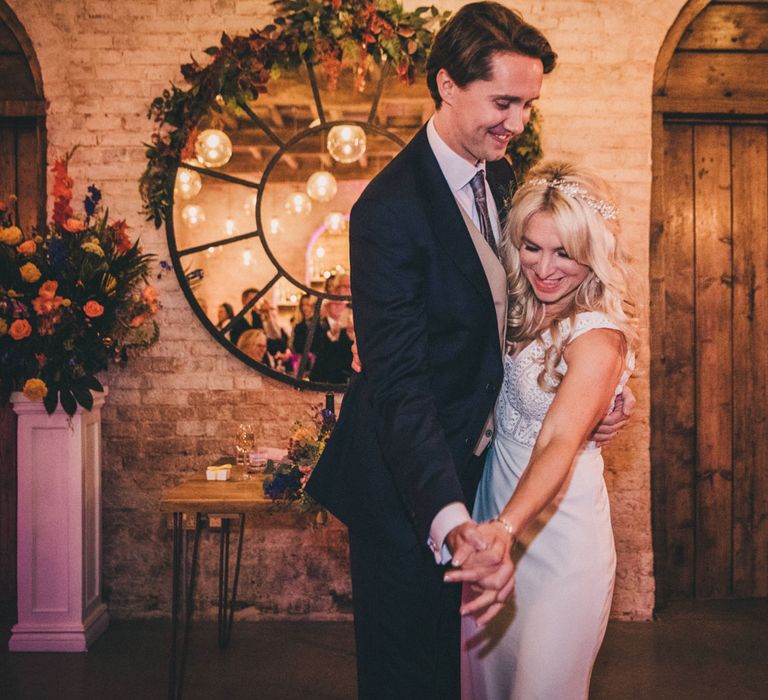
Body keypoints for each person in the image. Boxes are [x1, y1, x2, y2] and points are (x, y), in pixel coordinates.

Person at [306, 4, 633, 698]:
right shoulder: (389, 210)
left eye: (527, 104)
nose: (516, 122)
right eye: (503, 102)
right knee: (412, 676)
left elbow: (543, 309)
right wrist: (452, 523)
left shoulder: (505, 180)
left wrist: (598, 389)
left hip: (488, 474)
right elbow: (398, 382)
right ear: (448, 84)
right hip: (408, 488)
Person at [452, 161, 637, 699]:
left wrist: (504, 531)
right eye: (533, 247)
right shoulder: (514, 309)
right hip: (493, 509)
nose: (545, 268)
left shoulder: (598, 338)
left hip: (556, 539)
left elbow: (559, 438)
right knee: (488, 683)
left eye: (565, 253)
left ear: (594, 254)